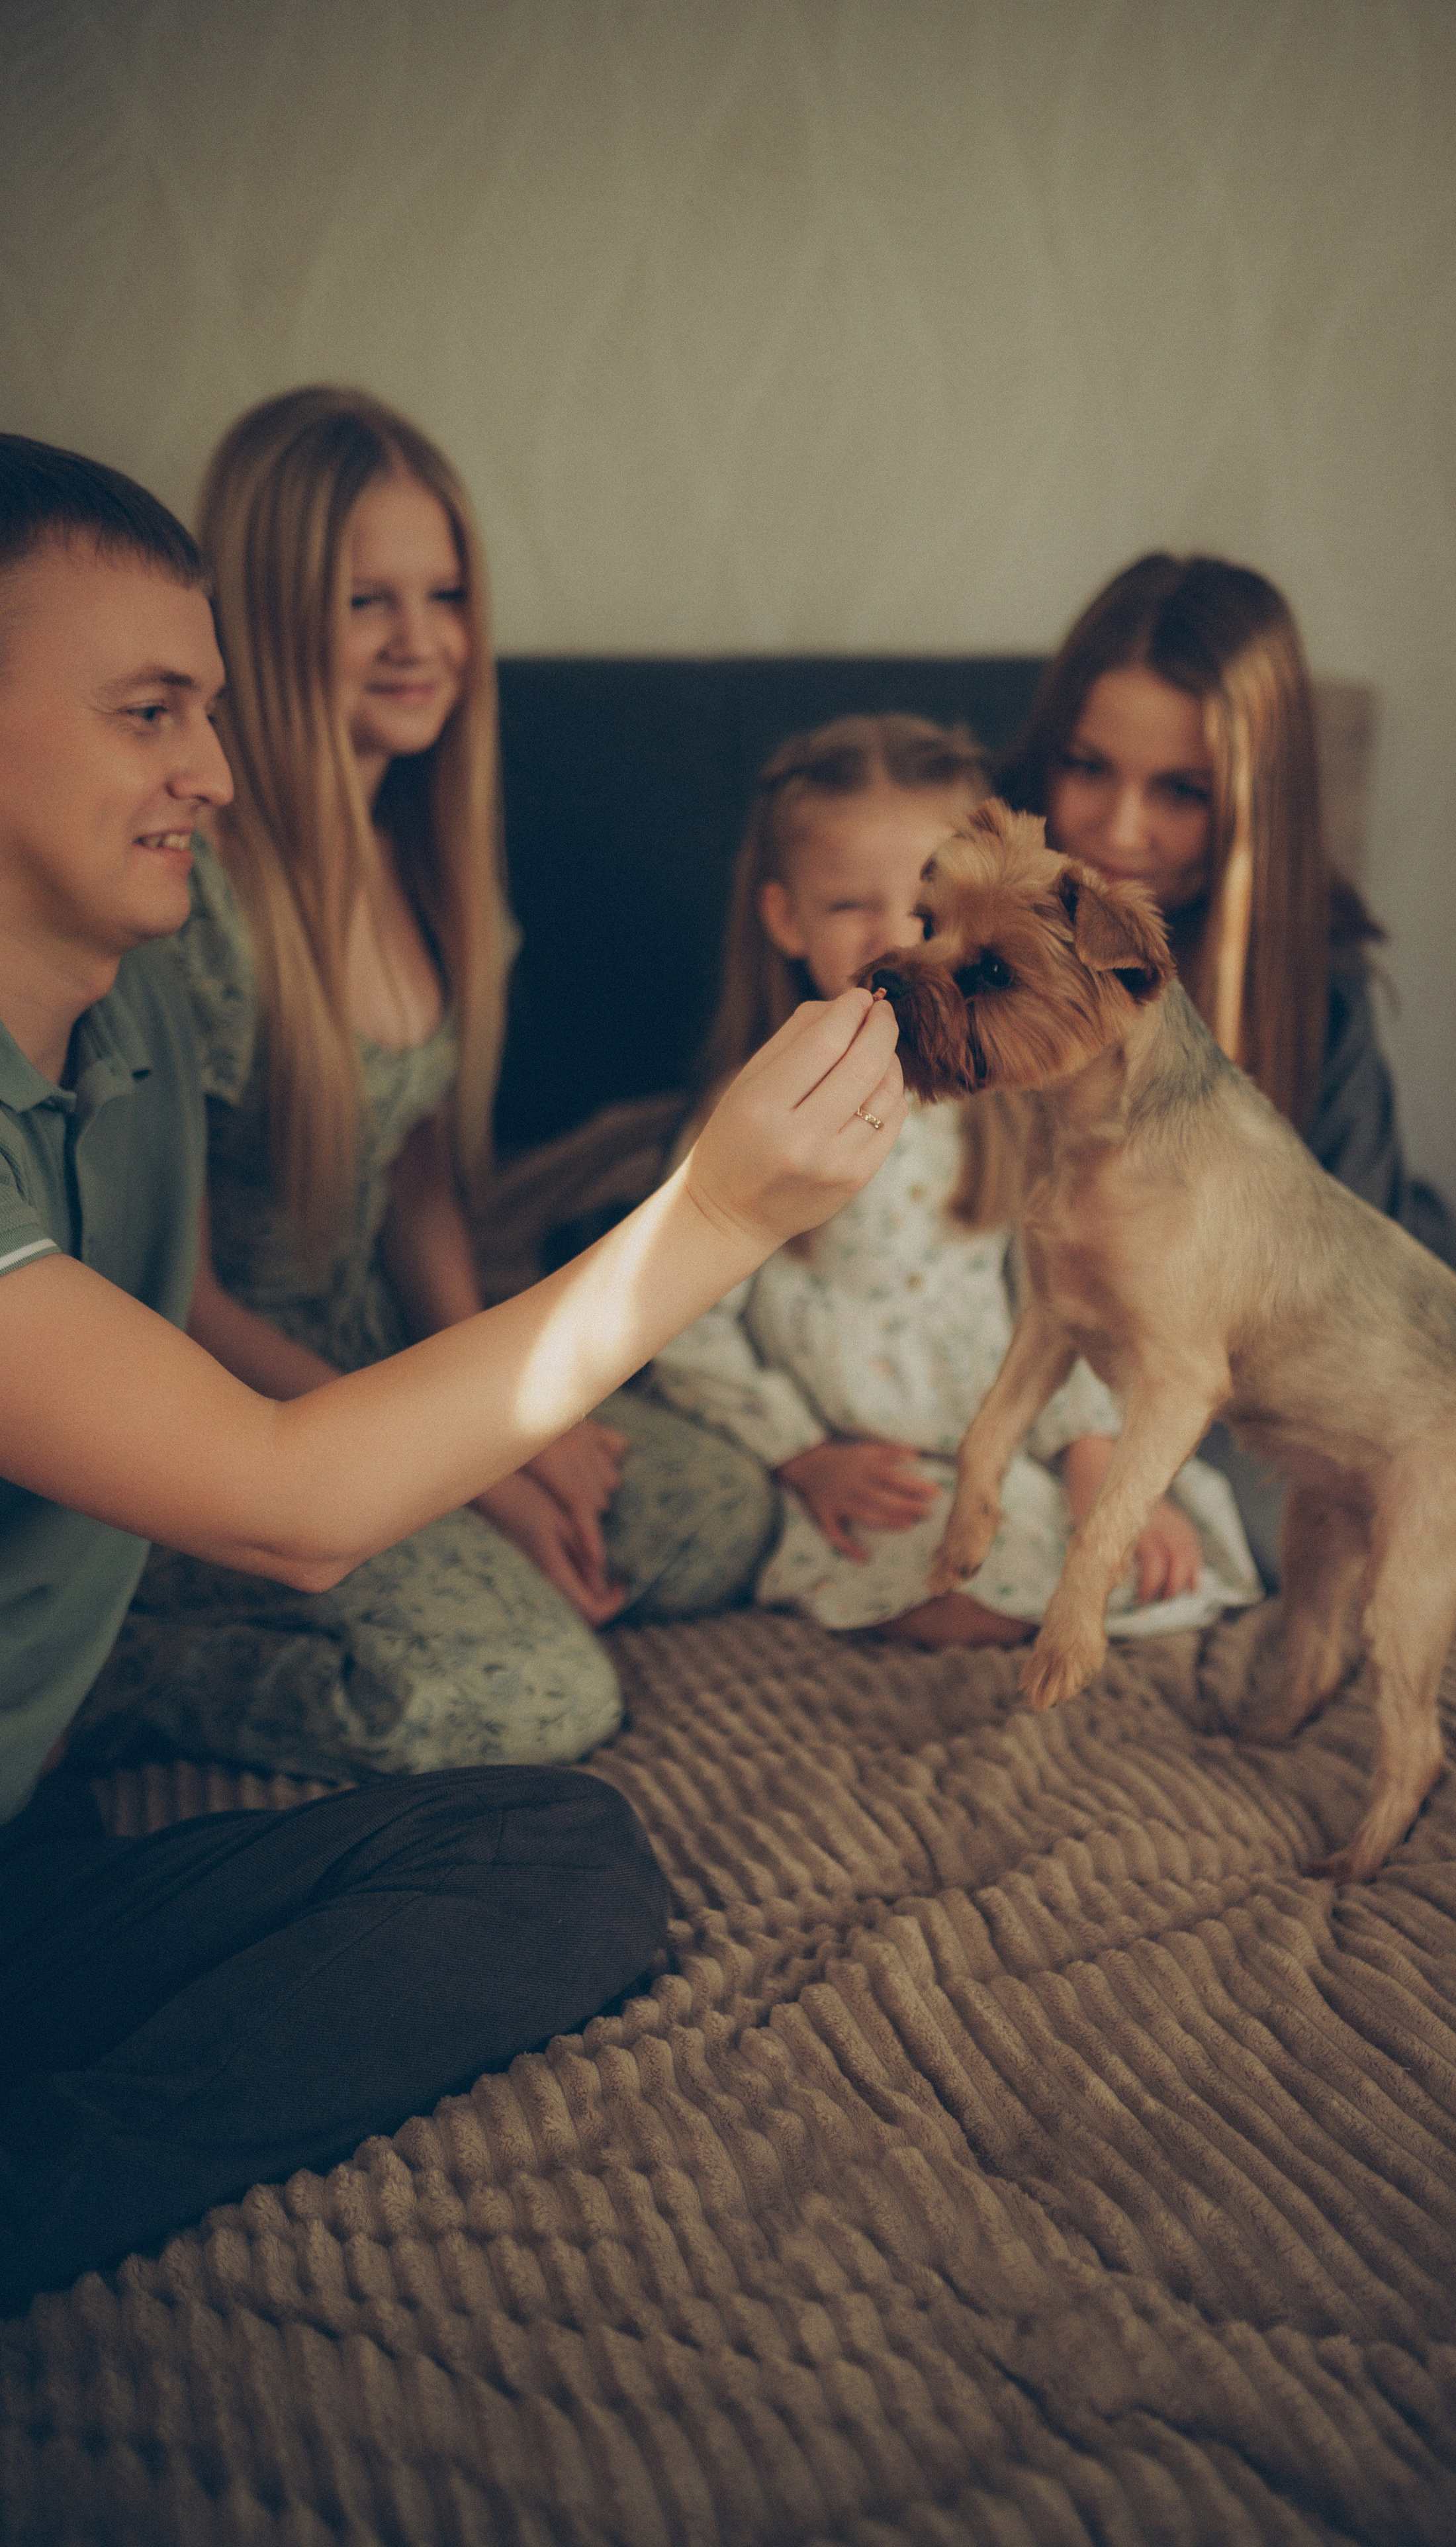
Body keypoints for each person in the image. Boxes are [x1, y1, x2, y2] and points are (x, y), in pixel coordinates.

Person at [0, 433, 904, 2310]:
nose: (216, 776)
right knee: (500, 1685)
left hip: (33, 1841)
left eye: (215, 713)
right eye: (150, 713)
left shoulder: (139, 1004)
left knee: (562, 1864)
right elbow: (292, 1503)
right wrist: (715, 1215)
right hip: (223, 1541)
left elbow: (368, 1226)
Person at [68, 389, 777, 1787]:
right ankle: (130, 1662)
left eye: (445, 593)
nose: (422, 641)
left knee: (720, 1512)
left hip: (397, 1358)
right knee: (528, 1695)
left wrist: (529, 1416)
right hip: (245, 1407)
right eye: (366, 602)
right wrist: (479, 1478)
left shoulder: (426, 855)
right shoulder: (197, 901)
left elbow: (422, 1188)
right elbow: (176, 1294)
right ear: (270, 622)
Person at [1000, 550, 1456, 1640]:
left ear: (1254, 799)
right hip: (1177, 1359)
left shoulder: (1319, 986)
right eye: (1087, 767)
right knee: (1274, 1517)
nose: (1120, 830)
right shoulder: (987, 926)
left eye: (1180, 792)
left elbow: (1360, 1272)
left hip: (1350, 1289)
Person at [650, 714, 1262, 1644]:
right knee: (950, 1573)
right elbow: (684, 1318)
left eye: (930, 913)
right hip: (873, 1463)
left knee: (1139, 1554)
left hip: (1015, 1436)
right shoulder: (756, 1114)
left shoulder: (1011, 1104)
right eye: (853, 906)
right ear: (785, 918)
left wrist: (1093, 1453)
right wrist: (802, 1455)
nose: (899, 940)